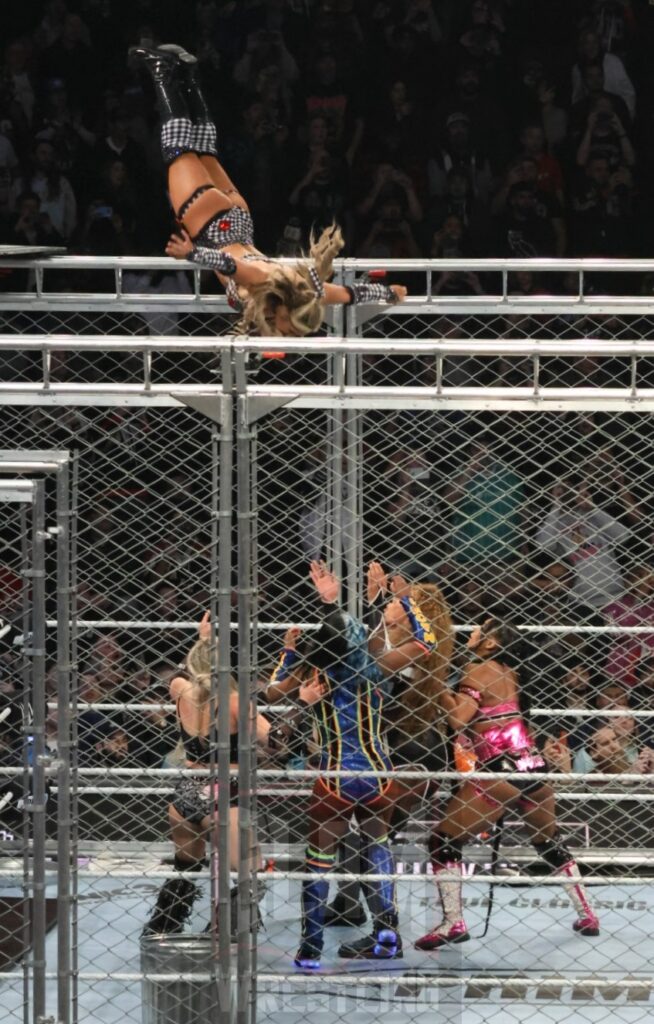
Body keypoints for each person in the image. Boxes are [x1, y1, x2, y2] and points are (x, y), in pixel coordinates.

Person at [129, 45, 407, 336]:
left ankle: (190, 75)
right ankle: (162, 71)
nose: (289, 334)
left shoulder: (305, 291)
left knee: (203, 152)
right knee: (179, 151)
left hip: (237, 217)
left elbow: (351, 294)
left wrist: (390, 294)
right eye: (290, 330)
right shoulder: (266, 280)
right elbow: (228, 263)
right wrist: (191, 253)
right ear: (288, 313)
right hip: (212, 225)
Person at [267, 560, 439, 968]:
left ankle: (310, 946)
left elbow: (272, 694)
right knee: (377, 846)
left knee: (320, 857)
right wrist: (404, 601)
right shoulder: (376, 667)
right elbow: (426, 642)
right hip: (378, 773)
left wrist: (289, 655)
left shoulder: (314, 672)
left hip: (335, 776)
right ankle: (386, 929)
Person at [416, 616, 600, 950]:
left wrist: (435, 683)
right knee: (549, 842)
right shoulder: (510, 673)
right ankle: (587, 913)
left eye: (478, 630)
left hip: (500, 771)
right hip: (533, 768)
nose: (471, 632)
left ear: (490, 643)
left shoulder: (476, 671)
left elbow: (458, 718)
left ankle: (452, 922)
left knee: (443, 841)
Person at [141, 612, 292, 937]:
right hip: (227, 794)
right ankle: (226, 933)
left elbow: (188, 672)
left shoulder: (180, 689)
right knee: (251, 871)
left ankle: (163, 926)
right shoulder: (238, 704)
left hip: (185, 793)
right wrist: (301, 703)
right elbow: (279, 745)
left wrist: (204, 640)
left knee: (185, 866)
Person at [323, 563, 454, 928]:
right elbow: (370, 647)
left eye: (397, 613)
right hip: (402, 749)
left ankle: (385, 927)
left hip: (409, 753)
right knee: (359, 831)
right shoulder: (417, 654)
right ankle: (351, 902)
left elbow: (366, 660)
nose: (388, 616)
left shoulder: (412, 659)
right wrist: (375, 602)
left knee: (370, 837)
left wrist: (381, 604)